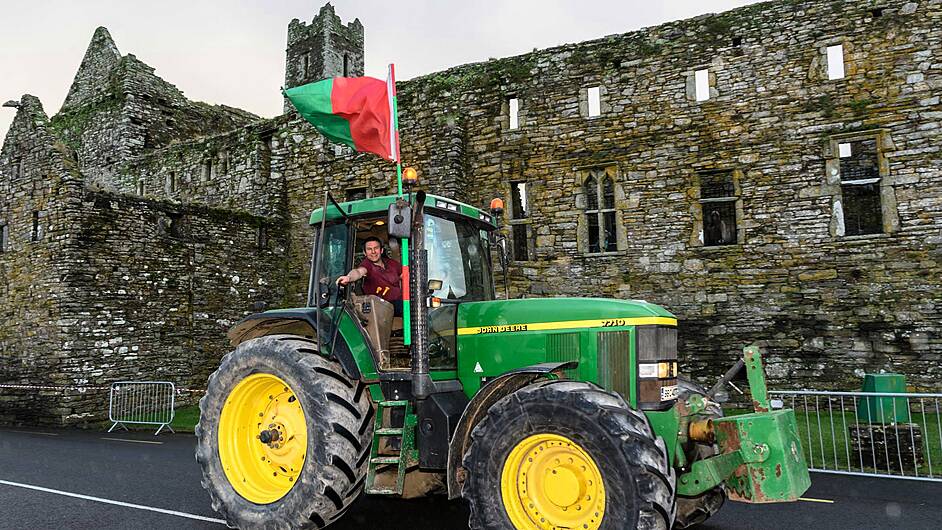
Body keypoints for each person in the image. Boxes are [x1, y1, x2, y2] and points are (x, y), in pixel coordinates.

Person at [338, 236, 403, 316]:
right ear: (365, 253)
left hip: (401, 301)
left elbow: (405, 275)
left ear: (381, 250)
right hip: (382, 307)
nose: (373, 252)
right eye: (369, 249)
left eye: (376, 248)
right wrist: (348, 278)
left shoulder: (391, 263)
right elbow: (358, 272)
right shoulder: (367, 265)